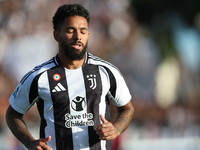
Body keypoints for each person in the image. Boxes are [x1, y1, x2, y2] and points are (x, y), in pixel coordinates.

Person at [5, 4, 134, 150]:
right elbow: (13, 114)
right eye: (70, 30)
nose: (77, 37)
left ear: (88, 35)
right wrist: (29, 142)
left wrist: (116, 128)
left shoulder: (106, 71)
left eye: (83, 31)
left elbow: (127, 108)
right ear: (57, 35)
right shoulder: (39, 76)